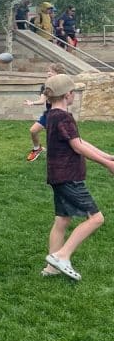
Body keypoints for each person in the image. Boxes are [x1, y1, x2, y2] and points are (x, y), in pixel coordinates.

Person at [42, 73, 114, 280]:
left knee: (62, 219)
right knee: (96, 218)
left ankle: (51, 268)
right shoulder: (63, 117)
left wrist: (107, 155)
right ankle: (62, 256)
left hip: (58, 176)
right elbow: (77, 146)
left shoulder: (52, 115)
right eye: (73, 92)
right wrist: (108, 164)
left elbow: (79, 142)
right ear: (68, 95)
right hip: (69, 176)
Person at [24, 64, 63, 162]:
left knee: (58, 137)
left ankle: (61, 155)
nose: (48, 73)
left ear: (58, 74)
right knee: (33, 131)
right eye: (48, 71)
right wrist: (32, 103)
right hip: (49, 113)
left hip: (60, 114)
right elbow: (42, 101)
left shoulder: (63, 86)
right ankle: (37, 149)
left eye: (52, 71)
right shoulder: (45, 86)